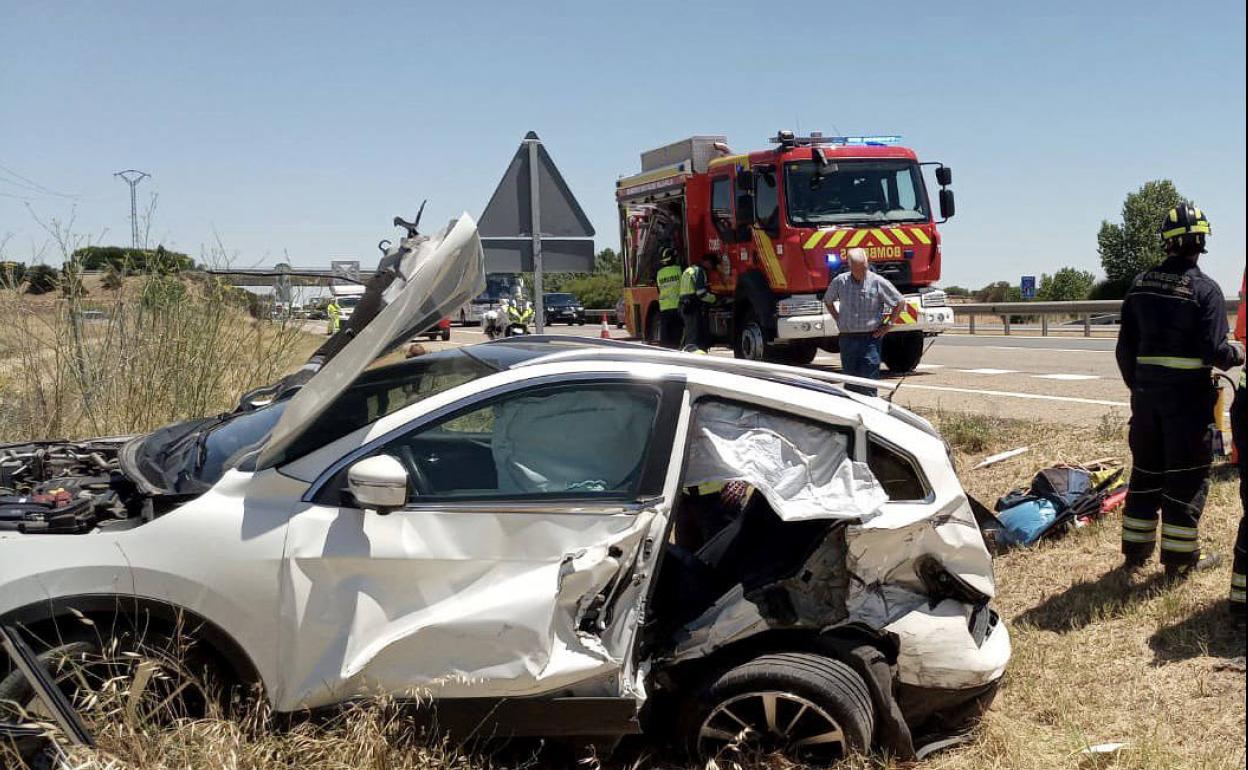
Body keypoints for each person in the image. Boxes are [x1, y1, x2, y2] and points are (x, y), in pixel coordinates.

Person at [1115, 203, 1245, 579]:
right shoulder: (1205, 290)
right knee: (1185, 479)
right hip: (1187, 406)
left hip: (1146, 402)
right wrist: (1237, 352)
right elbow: (1215, 352)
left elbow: (1124, 349)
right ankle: (1179, 562)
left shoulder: (1140, 285)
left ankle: (1135, 555)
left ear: (1166, 242)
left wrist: (1140, 388)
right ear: (1201, 242)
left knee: (1145, 474)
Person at [823, 248, 904, 396]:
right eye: (858, 268)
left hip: (870, 339)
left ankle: (870, 411)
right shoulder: (840, 281)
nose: (862, 271)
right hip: (847, 338)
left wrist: (889, 324)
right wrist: (838, 318)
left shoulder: (877, 281)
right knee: (851, 380)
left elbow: (899, 302)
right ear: (850, 267)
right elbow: (828, 301)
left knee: (869, 379)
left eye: (864, 267)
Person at [679, 255, 718, 352]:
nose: (711, 268)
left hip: (683, 304)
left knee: (689, 333)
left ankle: (685, 352)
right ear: (707, 262)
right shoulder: (699, 271)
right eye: (712, 265)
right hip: (692, 305)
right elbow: (701, 294)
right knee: (693, 335)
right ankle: (692, 357)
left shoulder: (689, 270)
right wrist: (715, 299)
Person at [655, 247, 684, 348]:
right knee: (677, 334)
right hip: (677, 307)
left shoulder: (659, 273)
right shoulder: (679, 270)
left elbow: (659, 290)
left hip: (664, 308)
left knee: (666, 337)